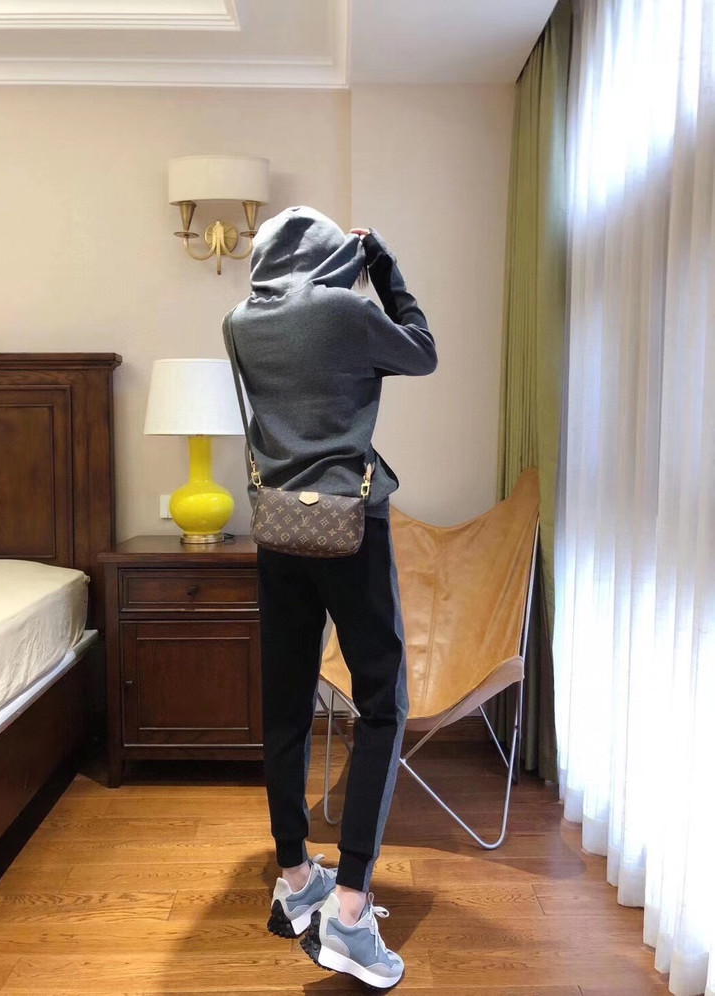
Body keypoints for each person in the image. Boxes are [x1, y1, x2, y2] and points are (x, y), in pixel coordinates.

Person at [228, 205, 436, 989]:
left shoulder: (238, 322)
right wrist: (380, 264)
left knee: (285, 703)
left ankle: (294, 880)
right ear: (328, 255)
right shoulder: (350, 313)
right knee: (381, 702)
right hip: (351, 527)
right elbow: (422, 351)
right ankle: (349, 910)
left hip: (279, 529)